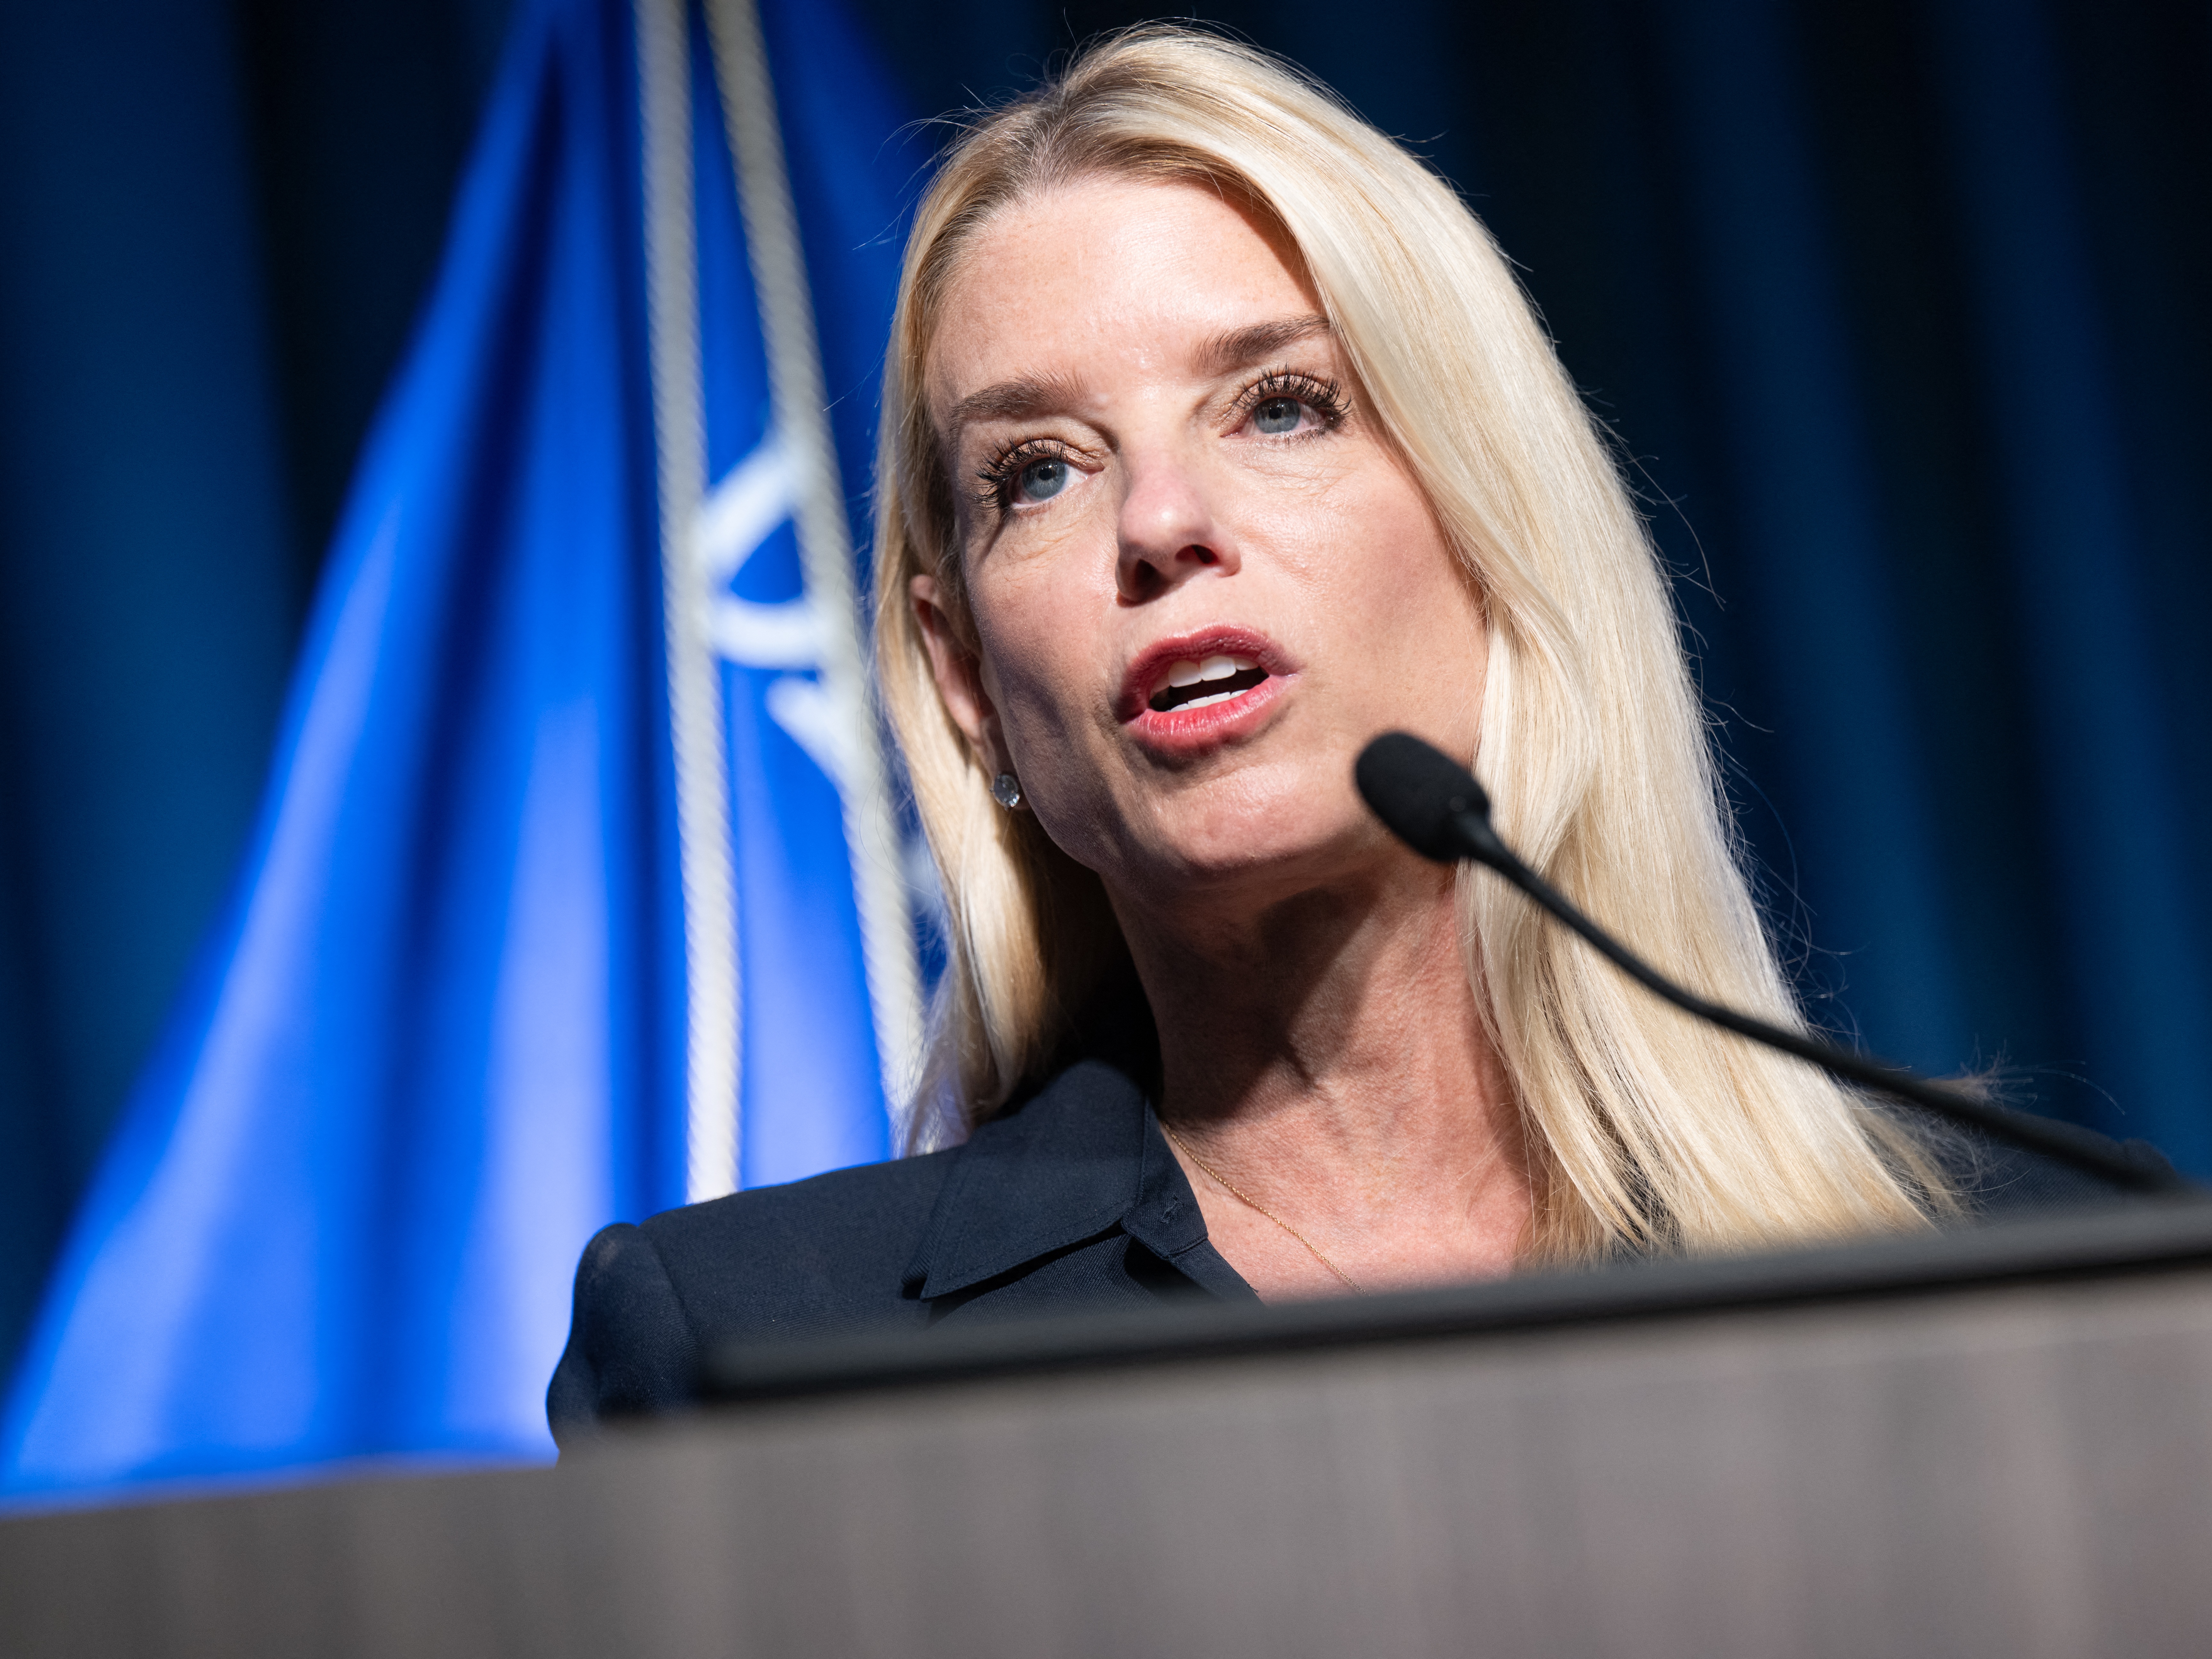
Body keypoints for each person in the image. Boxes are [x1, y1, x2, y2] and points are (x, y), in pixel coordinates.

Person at [548, 25, 2149, 1442]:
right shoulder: (752, 1353)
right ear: (965, 679)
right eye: (1038, 469)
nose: (1159, 524)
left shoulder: (2021, 1279)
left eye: (1280, 406)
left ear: (1489, 525)